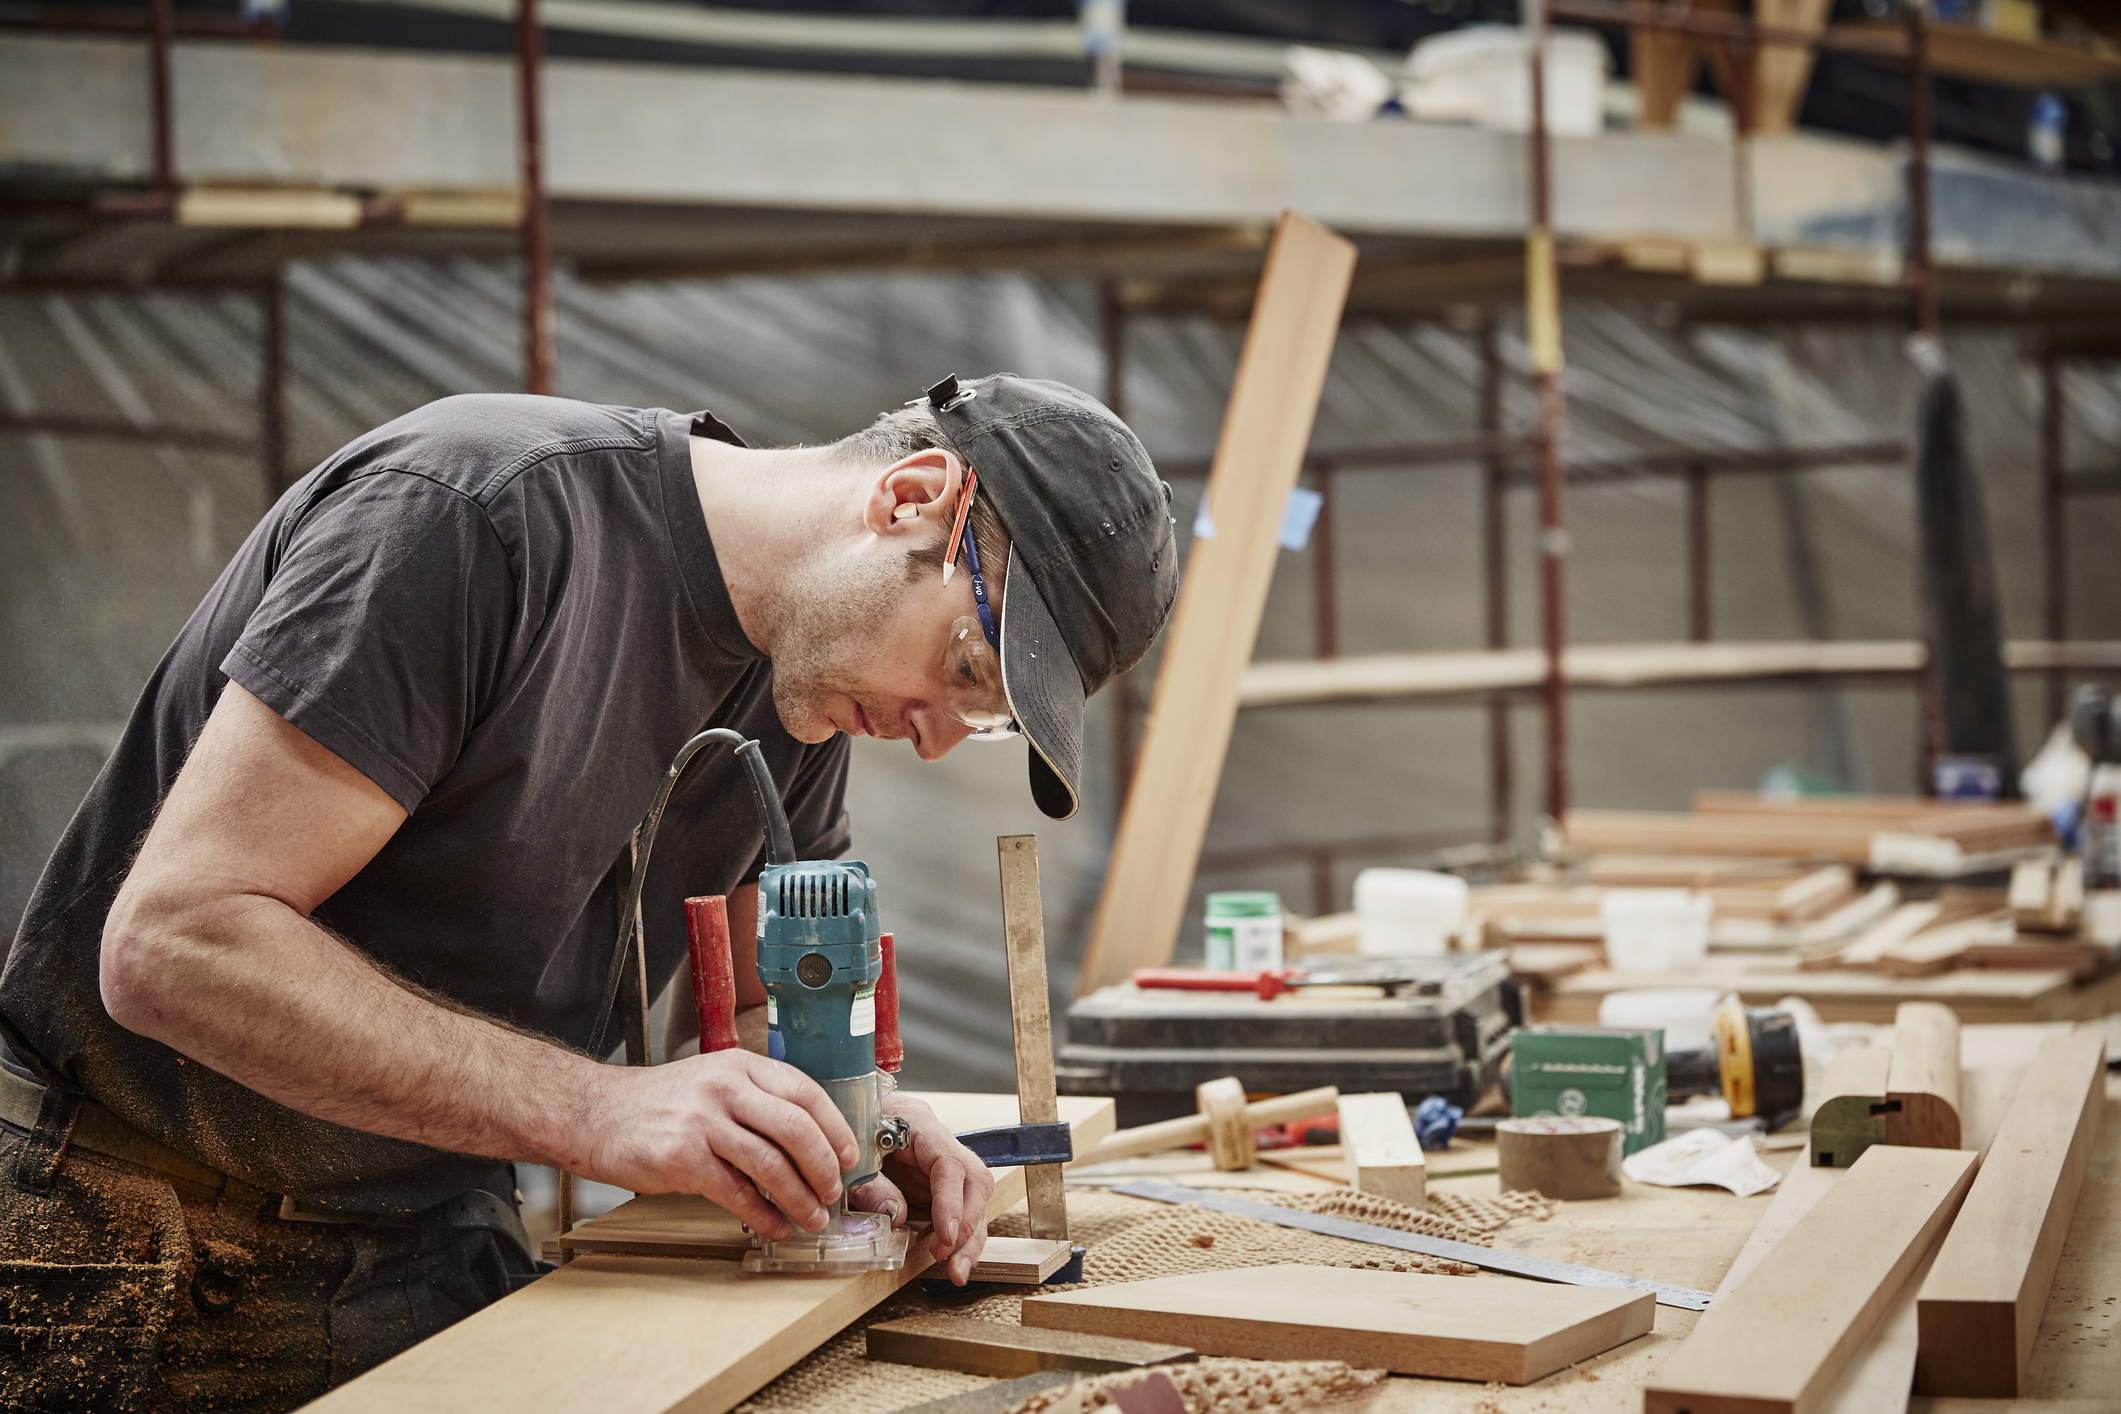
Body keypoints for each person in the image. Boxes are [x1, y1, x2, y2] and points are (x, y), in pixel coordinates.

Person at [0, 373, 1178, 1411]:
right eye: (965, 669)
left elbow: (771, 1009)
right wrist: (603, 1110)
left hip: (412, 1234)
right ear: (913, 497)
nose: (931, 739)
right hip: (118, 1222)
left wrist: (856, 1116)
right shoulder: (473, 516)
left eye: (979, 723)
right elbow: (174, 946)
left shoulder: (804, 691)